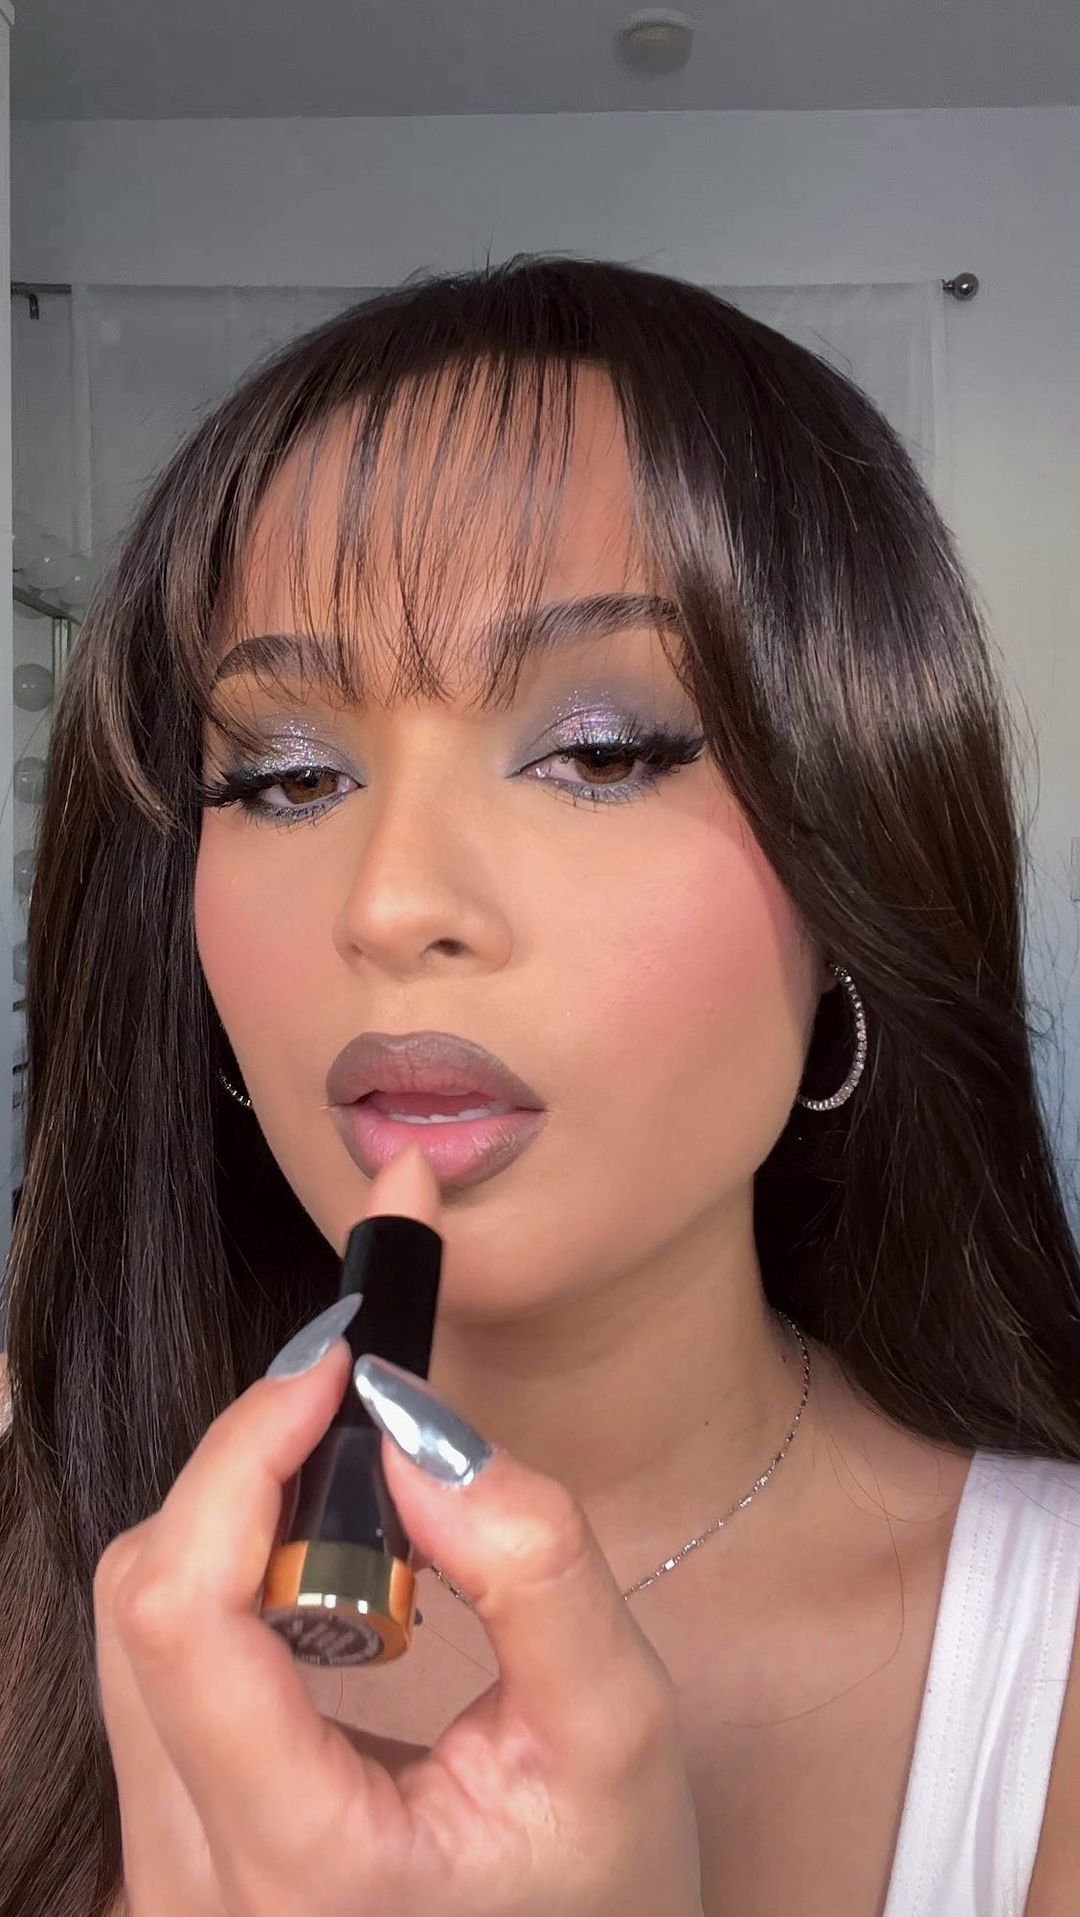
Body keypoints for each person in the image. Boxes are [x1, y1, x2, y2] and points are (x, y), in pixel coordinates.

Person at [1, 254, 1078, 1917]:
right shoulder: (38, 1591)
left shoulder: (1047, 1658)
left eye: (599, 751)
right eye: (286, 776)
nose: (391, 903)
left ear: (856, 874)